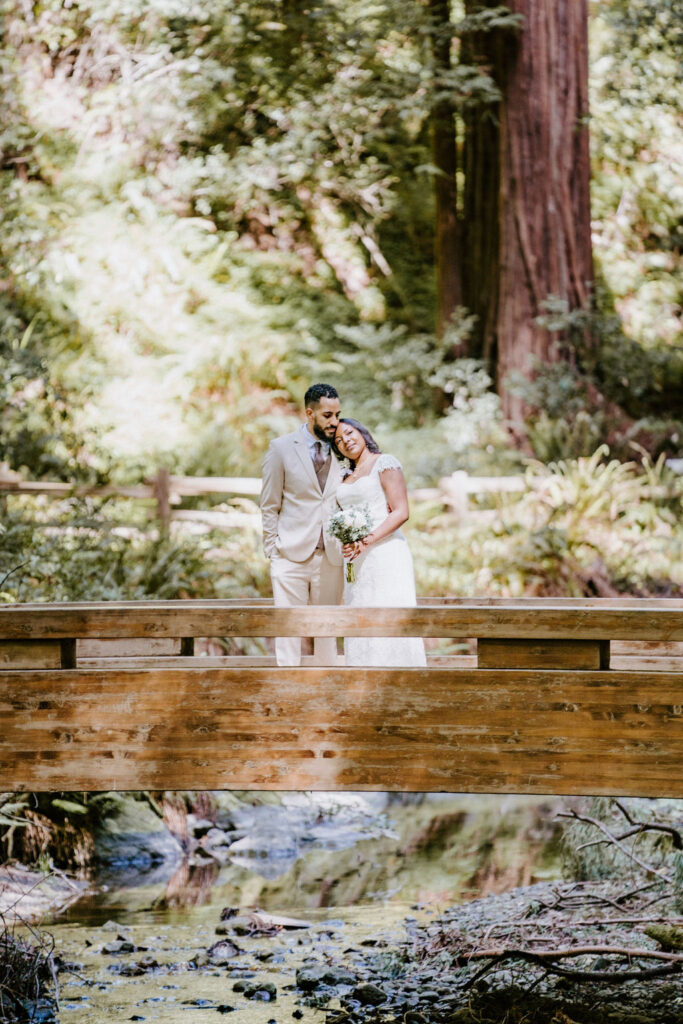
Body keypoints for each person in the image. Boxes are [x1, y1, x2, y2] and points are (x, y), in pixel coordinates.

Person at [260, 383, 344, 666]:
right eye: (327, 415)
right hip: (289, 554)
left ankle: (328, 694)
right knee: (288, 629)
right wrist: (273, 550)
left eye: (337, 415)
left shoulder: (343, 448)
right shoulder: (281, 449)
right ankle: (288, 693)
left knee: (328, 631)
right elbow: (269, 504)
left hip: (331, 556)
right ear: (309, 413)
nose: (334, 422)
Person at [332, 418, 426, 667]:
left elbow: (401, 511)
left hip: (385, 553)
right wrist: (346, 539)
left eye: (350, 433)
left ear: (362, 432)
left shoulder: (384, 463)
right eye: (338, 440)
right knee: (360, 614)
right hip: (356, 559)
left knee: (389, 613)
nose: (346, 441)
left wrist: (368, 539)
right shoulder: (344, 475)